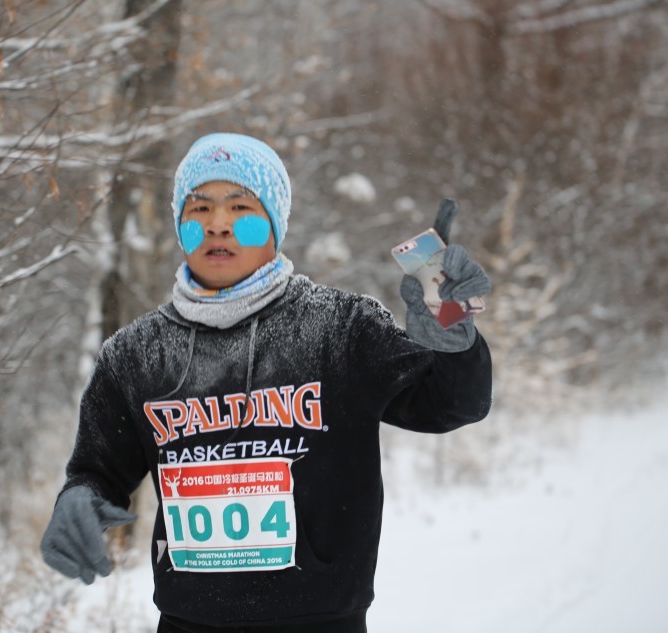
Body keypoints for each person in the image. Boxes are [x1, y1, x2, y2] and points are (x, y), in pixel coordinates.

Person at [40, 133, 492, 632]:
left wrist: (449, 323)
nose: (217, 224)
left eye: (240, 207)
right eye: (199, 209)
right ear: (180, 226)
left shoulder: (340, 328)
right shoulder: (136, 353)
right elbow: (99, 470)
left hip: (322, 622)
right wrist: (78, 498)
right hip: (188, 621)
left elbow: (453, 404)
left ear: (275, 226)